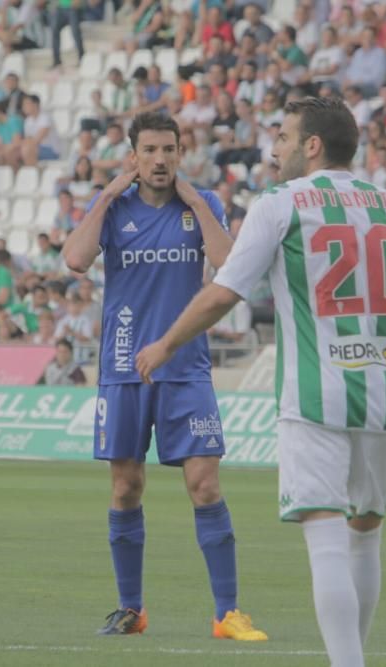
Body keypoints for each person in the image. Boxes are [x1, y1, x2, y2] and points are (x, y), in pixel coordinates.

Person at [134, 97, 386, 667]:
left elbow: (226, 292)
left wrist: (166, 342)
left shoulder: (281, 204)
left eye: (281, 136)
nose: (272, 149)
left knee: (324, 532)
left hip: (314, 391)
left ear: (312, 145)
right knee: (366, 532)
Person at [62, 112, 267, 640]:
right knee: (126, 486)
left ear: (181, 153)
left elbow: (228, 265)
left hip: (187, 369)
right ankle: (131, 609)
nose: (159, 160)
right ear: (133, 156)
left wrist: (197, 201)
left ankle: (227, 613)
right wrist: (105, 196)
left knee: (204, 484)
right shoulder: (113, 207)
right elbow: (76, 260)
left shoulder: (202, 206)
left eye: (168, 150)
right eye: (149, 150)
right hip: (124, 366)